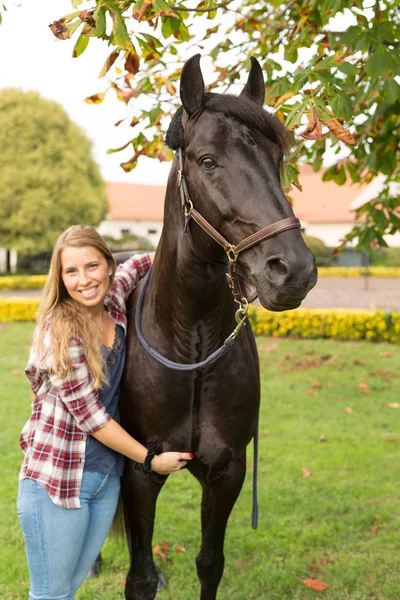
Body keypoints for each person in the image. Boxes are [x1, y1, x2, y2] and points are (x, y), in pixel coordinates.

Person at [17, 225, 193, 600]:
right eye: (71, 272)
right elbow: (92, 418)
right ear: (61, 278)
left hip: (104, 478)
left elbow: (146, 262)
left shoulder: (113, 302)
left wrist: (194, 248)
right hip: (59, 479)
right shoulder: (60, 331)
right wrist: (151, 460)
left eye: (92, 266)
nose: (84, 280)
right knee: (51, 594)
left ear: (110, 265)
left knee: (68, 589)